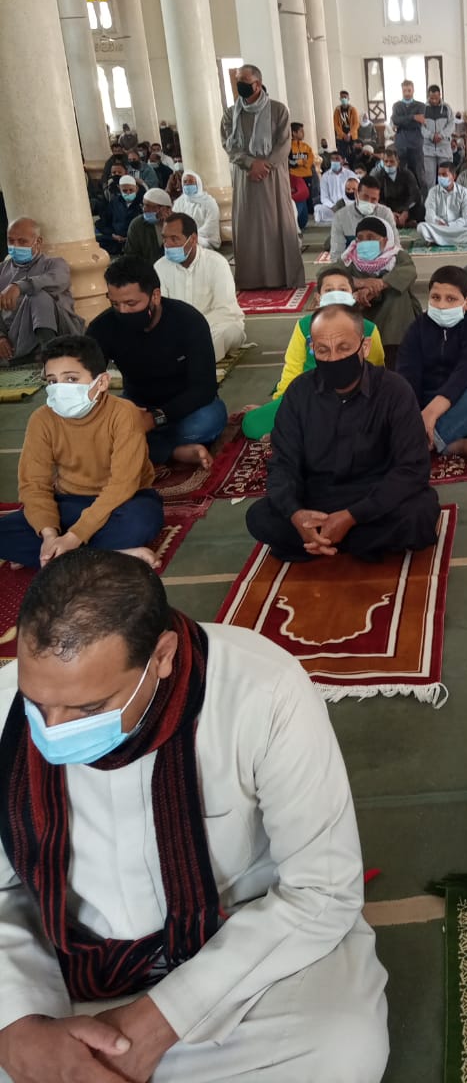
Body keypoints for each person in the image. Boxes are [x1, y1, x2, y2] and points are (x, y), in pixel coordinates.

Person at [0, 549, 389, 1083]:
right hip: (64, 961)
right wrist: (19, 1025)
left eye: (88, 709)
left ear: (161, 657)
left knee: (342, 1048)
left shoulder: (262, 691)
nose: (53, 728)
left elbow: (322, 890)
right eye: (37, 702)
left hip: (232, 954)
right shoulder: (6, 713)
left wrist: (159, 1021)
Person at [246, 304, 439, 561]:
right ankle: (349, 541)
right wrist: (296, 513)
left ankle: (324, 540)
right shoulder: (299, 393)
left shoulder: (395, 391)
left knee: (419, 514)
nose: (334, 358)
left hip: (374, 498)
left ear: (365, 347)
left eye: (344, 348)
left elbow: (413, 467)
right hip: (317, 498)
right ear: (312, 349)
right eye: (323, 350)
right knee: (259, 516)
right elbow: (282, 464)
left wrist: (352, 516)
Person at [0, 335, 163, 568]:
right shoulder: (42, 419)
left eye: (71, 379)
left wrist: (73, 537)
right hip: (69, 501)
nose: (60, 389)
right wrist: (49, 535)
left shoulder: (124, 414)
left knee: (140, 522)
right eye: (52, 381)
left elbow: (123, 485)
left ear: (102, 382)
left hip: (124, 502)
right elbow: (33, 484)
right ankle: (111, 554)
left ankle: (54, 556)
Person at [87, 256, 228, 469]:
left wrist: (154, 419)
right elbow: (89, 382)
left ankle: (141, 445)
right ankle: (173, 451)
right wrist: (126, 416)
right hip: (136, 406)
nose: (122, 311)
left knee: (207, 422)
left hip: (187, 408)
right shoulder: (102, 327)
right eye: (115, 304)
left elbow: (204, 388)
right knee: (98, 428)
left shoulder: (188, 321)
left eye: (131, 303)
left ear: (155, 296)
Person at [241, 267, 386, 440]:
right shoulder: (304, 326)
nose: (336, 295)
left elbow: (377, 371)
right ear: (318, 298)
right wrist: (281, 402)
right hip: (308, 395)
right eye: (329, 290)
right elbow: (293, 368)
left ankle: (299, 431)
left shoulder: (368, 329)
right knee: (251, 423)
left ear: (353, 296)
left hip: (352, 397)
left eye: (342, 290)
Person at [397, 265, 467, 464]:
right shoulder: (418, 328)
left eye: (451, 299)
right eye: (435, 297)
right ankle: (451, 445)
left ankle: (416, 443)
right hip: (424, 407)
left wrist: (429, 415)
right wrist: (413, 414)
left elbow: (463, 378)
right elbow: (408, 376)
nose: (442, 306)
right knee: (394, 394)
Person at [220, 63, 305, 291]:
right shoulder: (230, 114)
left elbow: (284, 144)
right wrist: (251, 164)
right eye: (238, 81)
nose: (239, 86)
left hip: (273, 177)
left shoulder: (278, 110)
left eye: (244, 82)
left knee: (277, 223)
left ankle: (282, 276)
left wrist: (264, 165)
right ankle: (251, 279)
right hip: (245, 177)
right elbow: (228, 145)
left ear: (257, 84)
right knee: (248, 227)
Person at [155, 214, 246, 362]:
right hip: (176, 330)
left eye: (174, 239)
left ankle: (187, 361)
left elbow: (225, 310)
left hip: (213, 327)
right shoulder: (160, 267)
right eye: (165, 238)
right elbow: (160, 308)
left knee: (229, 332)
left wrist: (194, 327)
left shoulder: (216, 263)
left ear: (193, 239)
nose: (167, 244)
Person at [0, 217, 83, 365]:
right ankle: (28, 356)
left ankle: (49, 355)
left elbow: (54, 280)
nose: (15, 246)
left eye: (22, 241)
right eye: (10, 241)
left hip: (59, 334)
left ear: (38, 242)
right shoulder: (1, 270)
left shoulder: (55, 264)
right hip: (17, 338)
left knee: (38, 295)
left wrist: (18, 286)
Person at [340, 218, 420, 366]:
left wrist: (380, 285)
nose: (364, 242)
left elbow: (409, 272)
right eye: (360, 238)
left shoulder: (397, 256)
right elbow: (325, 274)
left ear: (385, 240)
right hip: (362, 309)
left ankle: (393, 351)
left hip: (393, 313)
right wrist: (361, 283)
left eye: (371, 237)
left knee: (397, 295)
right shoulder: (349, 258)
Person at [329, 174, 397, 262]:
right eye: (365, 197)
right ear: (356, 194)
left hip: (381, 264)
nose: (369, 202)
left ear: (378, 199)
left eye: (373, 199)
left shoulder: (385, 213)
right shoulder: (340, 217)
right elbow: (337, 255)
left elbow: (395, 246)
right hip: (351, 265)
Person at [418, 161, 467, 247]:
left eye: (444, 175)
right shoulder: (433, 192)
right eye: (439, 175)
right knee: (421, 228)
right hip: (438, 228)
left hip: (457, 229)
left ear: (454, 176)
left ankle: (437, 240)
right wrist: (440, 223)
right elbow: (429, 216)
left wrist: (449, 225)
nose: (441, 177)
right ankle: (455, 241)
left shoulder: (464, 192)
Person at [172, 170, 221, 250]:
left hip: (206, 238)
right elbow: (175, 222)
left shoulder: (209, 202)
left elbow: (210, 226)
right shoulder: (178, 202)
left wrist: (192, 235)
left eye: (191, 182)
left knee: (191, 243)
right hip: (184, 237)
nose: (187, 184)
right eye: (185, 182)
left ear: (198, 184)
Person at [123, 188, 174, 265]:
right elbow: (130, 256)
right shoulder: (137, 225)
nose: (144, 209)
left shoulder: (179, 224)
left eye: (149, 206)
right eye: (143, 205)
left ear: (164, 209)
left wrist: (168, 225)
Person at [378, 148, 424, 229]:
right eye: (386, 161)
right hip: (389, 209)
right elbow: (379, 198)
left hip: (406, 207)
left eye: (392, 161)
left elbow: (414, 195)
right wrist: (390, 213)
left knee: (420, 207)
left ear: (398, 162)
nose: (388, 164)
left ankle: (406, 222)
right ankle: (403, 224)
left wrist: (406, 212)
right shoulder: (379, 176)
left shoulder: (407, 174)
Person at [98, 174, 144, 255]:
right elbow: (104, 222)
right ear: (119, 189)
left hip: (135, 239)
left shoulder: (142, 203)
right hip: (116, 239)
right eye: (125, 191)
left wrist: (128, 238)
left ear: (136, 189)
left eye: (131, 190)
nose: (128, 193)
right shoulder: (115, 202)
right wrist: (113, 235)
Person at [421, 84, 455, 188]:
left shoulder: (447, 108)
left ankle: (446, 195)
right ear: (428, 96)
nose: (434, 101)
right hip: (428, 148)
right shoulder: (423, 109)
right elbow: (420, 126)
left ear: (440, 95)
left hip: (443, 147)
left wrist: (441, 135)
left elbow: (451, 124)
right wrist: (431, 136)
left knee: (446, 175)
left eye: (436, 98)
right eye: (431, 98)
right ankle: (430, 197)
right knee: (429, 178)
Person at [288, 122, 317, 231]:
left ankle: (307, 217)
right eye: (300, 131)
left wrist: (300, 162)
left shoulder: (306, 146)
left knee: (308, 196)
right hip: (295, 177)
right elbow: (290, 163)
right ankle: (298, 220)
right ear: (294, 133)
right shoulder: (288, 147)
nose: (303, 133)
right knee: (298, 198)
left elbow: (310, 159)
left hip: (306, 175)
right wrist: (300, 162)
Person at [315, 154, 354, 224]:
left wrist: (346, 204)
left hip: (348, 206)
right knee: (318, 208)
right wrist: (333, 206)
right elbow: (324, 197)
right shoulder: (325, 176)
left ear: (343, 161)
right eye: (332, 159)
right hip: (332, 208)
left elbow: (355, 193)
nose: (334, 161)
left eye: (337, 159)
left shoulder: (350, 174)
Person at [333, 90, 360, 161]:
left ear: (348, 98)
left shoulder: (353, 109)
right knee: (342, 155)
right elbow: (336, 124)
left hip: (352, 136)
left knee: (354, 155)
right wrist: (343, 135)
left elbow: (356, 123)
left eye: (345, 97)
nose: (343, 99)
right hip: (341, 137)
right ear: (340, 98)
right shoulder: (337, 110)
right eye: (342, 97)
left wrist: (349, 134)